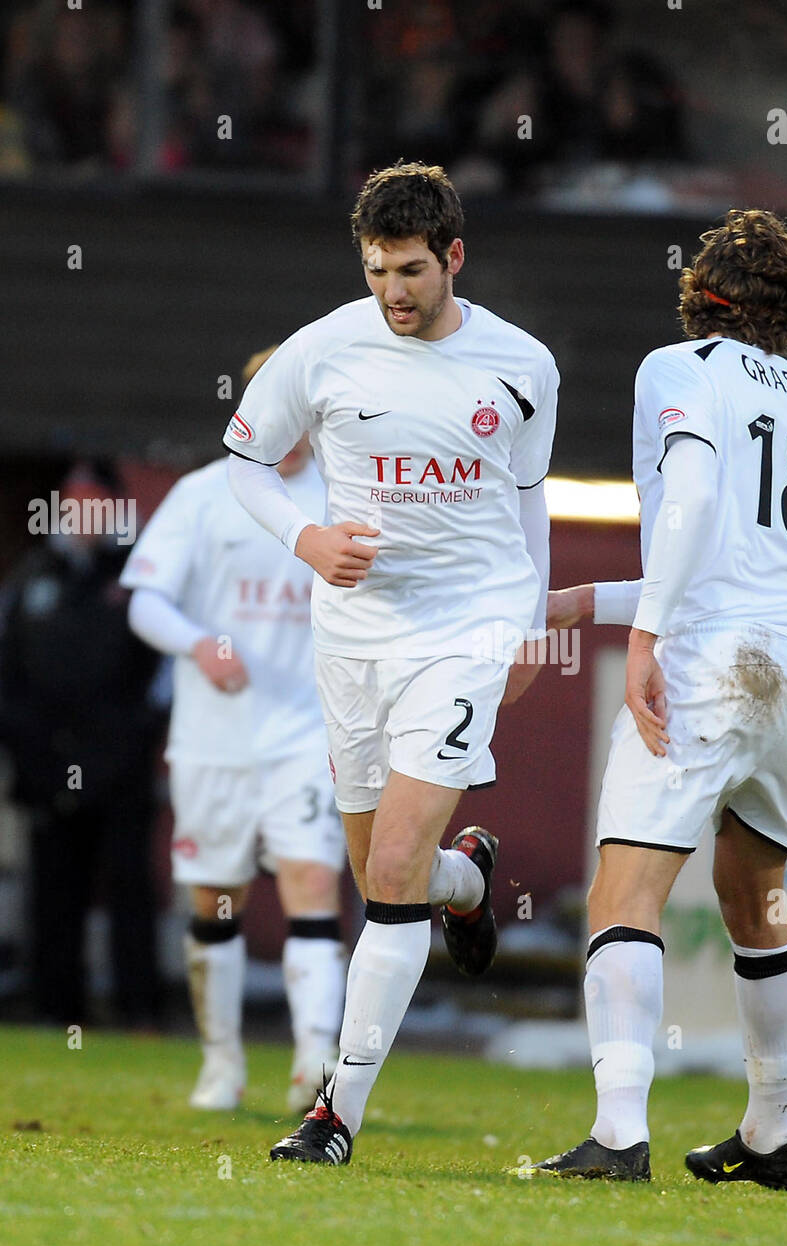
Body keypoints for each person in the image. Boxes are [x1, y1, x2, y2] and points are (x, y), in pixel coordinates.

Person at [223, 161, 557, 1165]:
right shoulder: (321, 350)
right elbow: (242, 465)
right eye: (376, 271)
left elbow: (529, 496)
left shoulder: (523, 364)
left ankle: (336, 1111)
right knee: (389, 873)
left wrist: (530, 619)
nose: (392, 293)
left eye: (410, 270)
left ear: (452, 257)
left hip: (467, 628)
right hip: (355, 634)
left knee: (389, 873)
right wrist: (307, 542)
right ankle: (470, 880)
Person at [542, 208, 787, 1187]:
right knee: (753, 897)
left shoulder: (677, 366)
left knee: (623, 892)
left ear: (697, 290)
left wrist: (643, 637)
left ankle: (619, 1132)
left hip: (707, 661)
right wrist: (581, 602)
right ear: (786, 313)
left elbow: (697, 506)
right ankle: (769, 1137)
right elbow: (735, 563)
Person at [120, 349, 348, 1112]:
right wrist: (198, 643)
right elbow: (144, 601)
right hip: (215, 737)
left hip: (310, 733)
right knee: (215, 899)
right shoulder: (202, 494)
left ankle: (316, 1066)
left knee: (312, 881)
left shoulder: (345, 494)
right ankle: (222, 1063)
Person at [0, 457, 162, 1027]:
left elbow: (160, 676)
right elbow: (9, 673)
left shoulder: (138, 576)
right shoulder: (33, 576)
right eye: (73, 503)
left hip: (120, 768)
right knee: (54, 894)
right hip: (46, 767)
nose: (83, 516)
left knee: (129, 891)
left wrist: (129, 741)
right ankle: (56, 1011)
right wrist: (31, 747)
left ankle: (139, 1011)